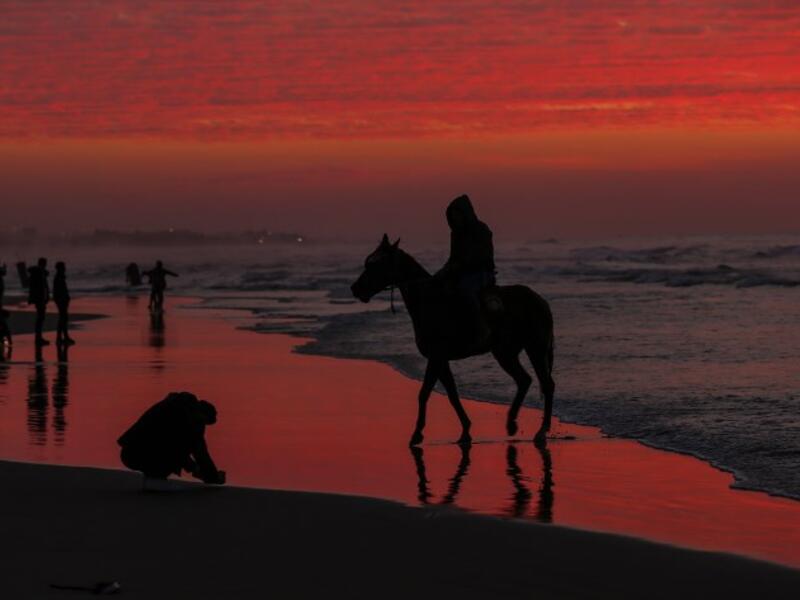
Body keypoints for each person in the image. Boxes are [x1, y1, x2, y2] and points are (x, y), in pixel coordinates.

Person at [117, 392, 225, 484]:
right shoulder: (183, 419)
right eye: (203, 422)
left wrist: (203, 471)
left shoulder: (174, 405)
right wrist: (209, 475)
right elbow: (198, 452)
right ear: (200, 413)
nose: (202, 426)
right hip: (135, 454)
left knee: (173, 450)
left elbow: (196, 451)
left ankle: (154, 477)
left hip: (128, 453)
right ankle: (156, 478)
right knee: (173, 452)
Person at [434, 195, 496, 342]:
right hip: (462, 272)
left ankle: (481, 327)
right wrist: (443, 271)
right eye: (452, 215)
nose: (455, 218)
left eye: (457, 214)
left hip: (481, 272)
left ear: (465, 213)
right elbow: (453, 257)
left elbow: (482, 255)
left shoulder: (481, 229)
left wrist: (460, 266)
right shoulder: (456, 233)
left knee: (465, 290)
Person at [27, 257, 50, 346]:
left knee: (40, 318)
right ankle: (38, 338)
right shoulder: (38, 273)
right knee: (40, 318)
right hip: (39, 299)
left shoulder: (39, 273)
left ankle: (38, 338)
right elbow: (40, 287)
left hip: (40, 298)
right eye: (45, 264)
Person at [53, 262, 75, 346]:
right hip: (61, 300)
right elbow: (60, 290)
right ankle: (61, 337)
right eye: (64, 267)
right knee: (63, 318)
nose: (65, 269)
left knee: (63, 318)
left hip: (62, 299)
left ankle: (63, 337)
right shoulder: (59, 277)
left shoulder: (59, 277)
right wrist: (63, 298)